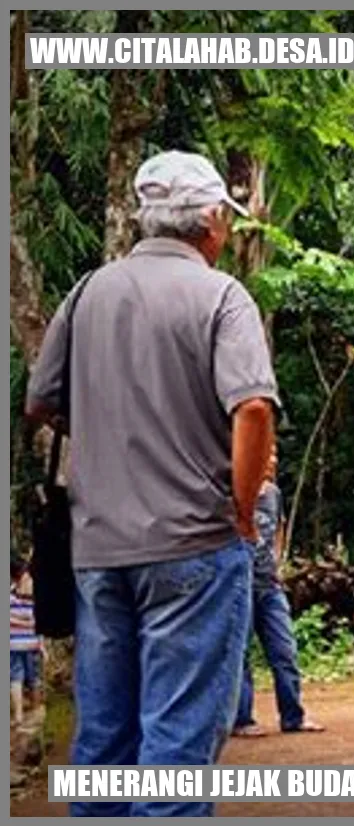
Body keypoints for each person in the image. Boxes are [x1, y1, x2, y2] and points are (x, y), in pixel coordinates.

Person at [25, 151, 277, 817]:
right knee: (176, 751)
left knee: (104, 746)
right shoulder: (223, 296)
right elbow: (252, 407)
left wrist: (115, 433)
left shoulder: (86, 294)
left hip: (99, 551)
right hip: (194, 543)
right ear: (213, 221)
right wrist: (244, 510)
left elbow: (40, 403)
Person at [233, 447, 324, 737]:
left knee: (285, 651)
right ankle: (242, 720)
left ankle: (293, 716)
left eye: (275, 454)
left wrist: (278, 560)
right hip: (240, 585)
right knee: (240, 653)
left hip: (269, 585)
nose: (272, 460)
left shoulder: (273, 493)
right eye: (267, 454)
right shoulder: (233, 490)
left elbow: (279, 527)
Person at [9, 561, 43, 726]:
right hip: (30, 643)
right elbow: (39, 622)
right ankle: (36, 712)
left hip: (13, 644)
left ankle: (19, 716)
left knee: (16, 679)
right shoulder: (35, 597)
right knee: (34, 678)